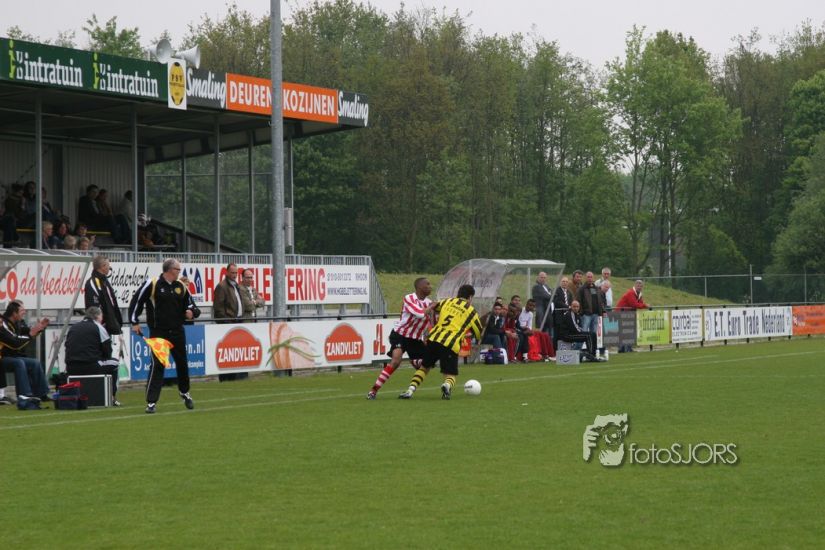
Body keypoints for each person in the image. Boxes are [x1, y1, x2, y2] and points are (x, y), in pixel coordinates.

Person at [128, 258, 201, 413]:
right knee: (158, 365)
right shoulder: (153, 283)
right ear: (169, 270)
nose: (179, 272)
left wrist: (191, 312)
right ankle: (151, 402)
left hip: (177, 331)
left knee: (182, 363)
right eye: (178, 269)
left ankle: (185, 392)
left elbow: (192, 306)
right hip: (159, 332)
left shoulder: (181, 286)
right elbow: (136, 301)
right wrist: (134, 321)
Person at [399, 284, 483, 400]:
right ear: (470, 297)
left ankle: (410, 390)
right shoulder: (471, 311)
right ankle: (446, 386)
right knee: (450, 373)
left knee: (424, 367)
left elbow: (434, 307)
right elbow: (478, 332)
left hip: (434, 339)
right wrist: (468, 333)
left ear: (458, 294)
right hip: (450, 343)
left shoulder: (447, 301)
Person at [366, 277, 432, 399]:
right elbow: (420, 313)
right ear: (420, 287)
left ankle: (410, 391)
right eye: (427, 284)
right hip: (400, 334)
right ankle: (373, 390)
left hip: (415, 339)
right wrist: (433, 307)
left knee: (426, 364)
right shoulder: (409, 298)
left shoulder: (429, 303)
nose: (430, 286)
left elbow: (431, 320)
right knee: (396, 361)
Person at [65, 307, 120, 406]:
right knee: (115, 362)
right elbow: (107, 350)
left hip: (71, 367)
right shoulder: (98, 327)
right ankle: (111, 396)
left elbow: (68, 347)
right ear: (98, 316)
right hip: (91, 366)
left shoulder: (73, 327)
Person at [0, 301, 51, 404]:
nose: (25, 312)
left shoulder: (17, 323)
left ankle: (42, 394)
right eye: (22, 310)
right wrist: (31, 334)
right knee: (19, 363)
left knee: (35, 363)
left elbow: (28, 332)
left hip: (12, 356)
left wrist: (39, 328)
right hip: (3, 358)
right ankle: (25, 396)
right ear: (14, 313)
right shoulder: (3, 324)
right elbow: (15, 342)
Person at [213, 263, 244, 381]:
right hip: (228, 324)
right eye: (232, 272)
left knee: (235, 354)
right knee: (227, 354)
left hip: (237, 323)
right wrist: (226, 322)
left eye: (236, 273)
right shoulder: (222, 286)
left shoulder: (236, 285)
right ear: (226, 272)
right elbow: (218, 308)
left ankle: (233, 377)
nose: (234, 275)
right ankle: (225, 378)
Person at [84, 255, 123, 338]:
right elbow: (93, 307)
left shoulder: (104, 280)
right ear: (103, 266)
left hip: (106, 326)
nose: (109, 267)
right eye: (108, 265)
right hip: (99, 327)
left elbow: (112, 303)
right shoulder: (93, 282)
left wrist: (115, 322)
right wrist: (100, 324)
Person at [615, 280, 648, 352]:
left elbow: (640, 303)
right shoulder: (631, 293)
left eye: (641, 286)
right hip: (622, 313)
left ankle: (625, 348)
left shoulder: (639, 294)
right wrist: (645, 305)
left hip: (627, 314)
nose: (639, 287)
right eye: (638, 286)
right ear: (635, 285)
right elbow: (634, 304)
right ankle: (624, 348)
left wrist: (643, 305)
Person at [577, 271, 604, 343]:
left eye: (591, 277)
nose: (590, 278)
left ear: (593, 278)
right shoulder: (582, 289)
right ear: (585, 278)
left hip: (596, 314)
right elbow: (579, 301)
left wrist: (602, 311)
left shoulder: (597, 288)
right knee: (584, 332)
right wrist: (581, 313)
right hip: (586, 315)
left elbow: (601, 301)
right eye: (588, 277)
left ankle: (592, 348)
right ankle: (580, 348)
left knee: (593, 333)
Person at [551, 276, 574, 351]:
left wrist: (571, 307)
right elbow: (557, 302)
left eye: (566, 282)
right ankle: (555, 350)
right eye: (563, 281)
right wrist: (567, 306)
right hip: (558, 316)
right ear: (560, 282)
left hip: (567, 316)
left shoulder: (569, 292)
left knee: (566, 333)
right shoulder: (556, 291)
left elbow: (571, 301)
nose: (565, 283)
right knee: (557, 333)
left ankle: (565, 349)